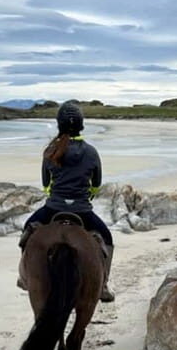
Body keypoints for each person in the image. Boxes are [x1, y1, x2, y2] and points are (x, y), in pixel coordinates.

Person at [18, 101, 115, 302]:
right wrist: (87, 196)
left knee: (27, 229)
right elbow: (96, 184)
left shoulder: (51, 150)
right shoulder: (91, 152)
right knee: (106, 238)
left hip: (53, 208)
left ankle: (23, 276)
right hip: (82, 210)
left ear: (59, 125)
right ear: (81, 125)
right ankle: (103, 284)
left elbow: (46, 185)